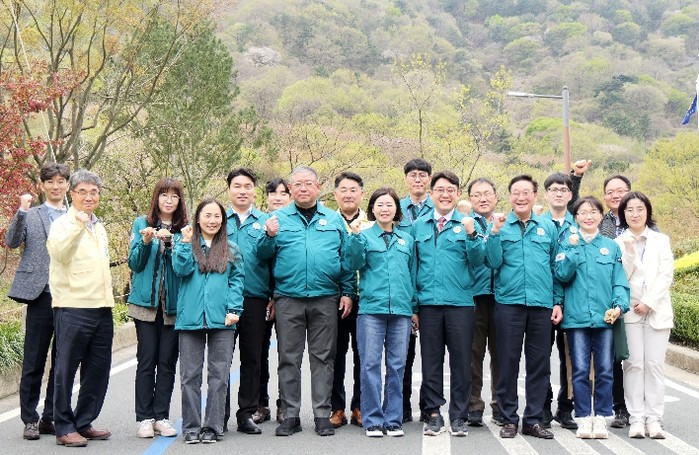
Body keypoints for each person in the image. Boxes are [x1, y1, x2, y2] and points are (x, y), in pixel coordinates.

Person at [257, 165, 355, 437]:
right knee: (289, 358)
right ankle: (290, 415)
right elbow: (262, 256)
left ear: (318, 187)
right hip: (288, 297)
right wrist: (268, 236)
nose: (303, 188)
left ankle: (322, 414)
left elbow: (346, 259)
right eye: (297, 184)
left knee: (323, 358)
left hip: (326, 297)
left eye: (308, 183)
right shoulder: (277, 219)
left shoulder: (333, 219)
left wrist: (348, 291)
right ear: (290, 189)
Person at [485, 175, 562, 440]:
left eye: (526, 192)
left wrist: (557, 301)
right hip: (509, 304)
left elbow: (555, 266)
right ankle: (508, 419)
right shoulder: (500, 225)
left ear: (535, 196)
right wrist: (494, 233)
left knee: (539, 364)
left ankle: (533, 420)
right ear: (509, 197)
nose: (521, 197)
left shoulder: (547, 227)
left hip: (541, 304)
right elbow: (492, 262)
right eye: (516, 192)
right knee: (507, 362)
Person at [413, 170, 485, 437]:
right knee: (431, 362)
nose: (445, 195)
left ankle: (458, 416)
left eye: (450, 190)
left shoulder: (468, 224)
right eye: (440, 190)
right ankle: (433, 413)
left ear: (458, 194)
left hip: (460, 304)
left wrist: (472, 235)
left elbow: (478, 261)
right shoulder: (419, 225)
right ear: (431, 193)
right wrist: (414, 307)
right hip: (428, 304)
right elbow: (412, 267)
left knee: (462, 362)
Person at [47, 169, 114, 447]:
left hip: (103, 307)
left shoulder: (99, 227)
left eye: (94, 192)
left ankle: (84, 421)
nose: (89, 197)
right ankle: (63, 426)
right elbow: (60, 254)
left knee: (98, 371)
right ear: (71, 194)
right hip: (73, 308)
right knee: (65, 371)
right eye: (82, 192)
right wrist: (78, 225)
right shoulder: (62, 224)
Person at [554, 196, 629, 439]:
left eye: (593, 212)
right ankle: (584, 417)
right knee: (580, 370)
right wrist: (573, 249)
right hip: (576, 319)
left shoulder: (611, 246)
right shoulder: (567, 243)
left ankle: (602, 417)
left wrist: (619, 306)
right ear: (575, 217)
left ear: (600, 215)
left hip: (605, 319)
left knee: (605, 369)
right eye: (583, 212)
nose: (588, 216)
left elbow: (619, 282)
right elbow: (562, 276)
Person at [6, 163, 69, 440]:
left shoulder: (76, 216)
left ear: (67, 185)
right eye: (50, 182)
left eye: (60, 181)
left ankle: (50, 417)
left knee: (63, 361)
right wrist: (21, 210)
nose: (56, 186)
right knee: (34, 359)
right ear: (42, 186)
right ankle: (29, 419)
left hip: (70, 295)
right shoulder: (31, 215)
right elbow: (11, 241)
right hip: (40, 293)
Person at [346, 187, 416, 438]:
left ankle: (393, 419)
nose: (385, 209)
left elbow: (412, 274)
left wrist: (414, 309)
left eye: (389, 204)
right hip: (371, 310)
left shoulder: (407, 239)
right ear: (372, 209)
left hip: (401, 311)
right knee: (370, 365)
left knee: (397, 366)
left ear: (397, 209)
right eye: (380, 205)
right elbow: (353, 263)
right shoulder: (363, 236)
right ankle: (373, 419)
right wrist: (355, 237)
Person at [173, 198, 244, 444]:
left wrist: (234, 309)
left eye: (217, 216)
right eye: (207, 215)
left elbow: (237, 281)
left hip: (222, 320)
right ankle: (191, 427)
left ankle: (213, 427)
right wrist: (184, 243)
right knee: (189, 377)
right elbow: (180, 270)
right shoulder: (185, 244)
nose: (212, 220)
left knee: (219, 376)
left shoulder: (231, 249)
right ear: (198, 218)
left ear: (223, 220)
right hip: (190, 319)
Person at [128, 178, 188, 439]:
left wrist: (172, 244)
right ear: (156, 198)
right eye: (164, 195)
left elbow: (185, 268)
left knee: (167, 362)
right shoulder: (142, 224)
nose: (169, 200)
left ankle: (161, 416)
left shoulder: (185, 229)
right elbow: (134, 264)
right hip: (146, 305)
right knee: (146, 360)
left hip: (173, 307)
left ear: (179, 201)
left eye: (174, 196)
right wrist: (145, 242)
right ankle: (144, 418)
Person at [616, 192, 674, 439]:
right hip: (631, 312)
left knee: (654, 365)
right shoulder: (618, 242)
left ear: (647, 211)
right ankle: (636, 418)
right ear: (623, 214)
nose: (635, 214)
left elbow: (666, 274)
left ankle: (654, 418)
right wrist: (629, 254)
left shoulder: (661, 240)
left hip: (657, 310)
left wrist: (649, 302)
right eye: (629, 210)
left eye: (640, 209)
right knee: (633, 365)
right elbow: (620, 277)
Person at [540, 162, 590, 430]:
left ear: (571, 195)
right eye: (553, 189)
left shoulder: (580, 225)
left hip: (573, 301)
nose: (558, 193)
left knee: (571, 357)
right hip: (543, 301)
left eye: (563, 190)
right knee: (540, 355)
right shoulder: (537, 224)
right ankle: (542, 405)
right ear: (545, 194)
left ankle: (566, 406)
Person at [223, 168, 272, 435]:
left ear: (255, 191)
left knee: (253, 358)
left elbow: (274, 261)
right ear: (229, 189)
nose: (242, 191)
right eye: (237, 186)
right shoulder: (218, 219)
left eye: (247, 186)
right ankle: (219, 414)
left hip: (255, 297)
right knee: (222, 358)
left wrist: (272, 295)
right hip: (224, 299)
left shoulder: (266, 222)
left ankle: (247, 413)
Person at [329, 171, 372, 429]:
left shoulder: (372, 223)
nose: (348, 194)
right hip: (334, 297)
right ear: (335, 194)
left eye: (353, 190)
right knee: (334, 354)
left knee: (363, 355)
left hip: (366, 298)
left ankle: (360, 406)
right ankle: (336, 407)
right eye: (343, 190)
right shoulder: (328, 221)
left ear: (361, 194)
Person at [395, 158, 433, 423]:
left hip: (430, 287)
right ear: (406, 179)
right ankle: (402, 405)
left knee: (431, 354)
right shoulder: (395, 208)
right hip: (403, 287)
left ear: (429, 179)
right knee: (403, 354)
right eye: (413, 175)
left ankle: (429, 406)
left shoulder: (439, 207)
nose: (418, 179)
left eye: (422, 175)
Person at [255, 178, 291, 425]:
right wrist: (268, 296)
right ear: (266, 197)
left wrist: (277, 295)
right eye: (272, 193)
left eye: (283, 193)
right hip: (262, 297)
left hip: (287, 297)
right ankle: (261, 403)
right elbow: (258, 262)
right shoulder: (259, 223)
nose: (277, 197)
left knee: (287, 353)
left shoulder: (294, 223)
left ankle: (284, 404)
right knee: (259, 352)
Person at [465, 177, 501, 426]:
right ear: (470, 199)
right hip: (473, 296)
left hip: (502, 297)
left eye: (487, 193)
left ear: (496, 197)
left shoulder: (505, 223)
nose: (483, 198)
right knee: (472, 353)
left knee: (502, 354)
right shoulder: (464, 224)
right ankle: (473, 404)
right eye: (477, 194)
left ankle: (500, 403)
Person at [599, 175, 632, 428]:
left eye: (620, 190)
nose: (615, 195)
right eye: (610, 191)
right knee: (613, 356)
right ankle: (619, 406)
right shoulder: (601, 223)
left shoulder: (642, 221)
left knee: (635, 359)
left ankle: (639, 407)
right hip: (609, 296)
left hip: (638, 299)